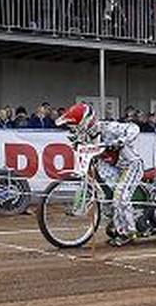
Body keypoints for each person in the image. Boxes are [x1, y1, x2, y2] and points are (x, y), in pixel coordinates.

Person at [56, 102, 144, 246]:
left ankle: (129, 232)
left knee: (120, 195)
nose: (74, 129)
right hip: (111, 167)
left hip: (130, 164)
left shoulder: (107, 127)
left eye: (75, 125)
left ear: (86, 121)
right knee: (105, 196)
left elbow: (134, 128)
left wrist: (121, 140)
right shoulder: (86, 135)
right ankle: (117, 224)